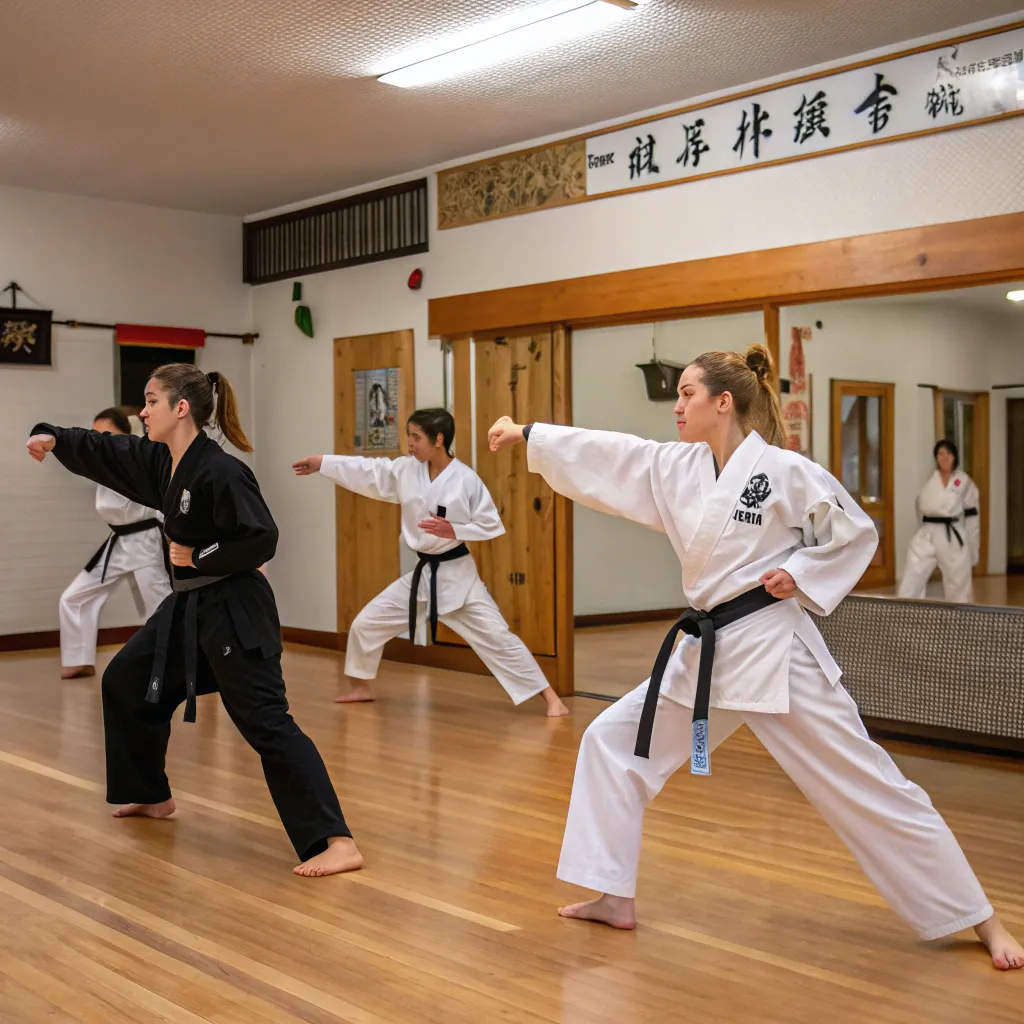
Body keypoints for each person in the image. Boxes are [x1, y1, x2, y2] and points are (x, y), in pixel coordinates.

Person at [487, 344, 1022, 971]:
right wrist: (530, 434)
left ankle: (980, 918)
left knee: (867, 782)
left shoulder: (785, 471)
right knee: (610, 741)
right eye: (678, 394)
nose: (677, 405)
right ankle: (612, 894)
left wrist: (801, 572)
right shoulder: (678, 468)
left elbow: (855, 533)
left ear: (723, 402)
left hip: (774, 651)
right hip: (705, 653)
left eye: (688, 394)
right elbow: (616, 455)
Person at [26, 365, 361, 878]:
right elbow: (108, 451)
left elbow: (261, 537)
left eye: (151, 400)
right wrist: (54, 436)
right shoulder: (163, 461)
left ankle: (336, 840)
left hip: (234, 609)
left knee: (265, 721)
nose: (142, 410)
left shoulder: (222, 471)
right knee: (126, 682)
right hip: (188, 607)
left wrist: (199, 555)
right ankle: (149, 794)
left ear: (181, 408)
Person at [293, 408, 568, 716]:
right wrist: (323, 463)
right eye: (408, 436)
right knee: (365, 624)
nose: (410, 443)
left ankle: (551, 699)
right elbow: (370, 470)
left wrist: (455, 530)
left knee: (498, 639)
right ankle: (361, 686)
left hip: (458, 579)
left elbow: (491, 524)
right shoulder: (406, 470)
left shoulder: (466, 480)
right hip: (423, 576)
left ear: (439, 439)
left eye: (416, 437)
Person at [58, 407, 172, 679]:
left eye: (107, 434)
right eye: (96, 434)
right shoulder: (103, 464)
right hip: (119, 542)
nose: (101, 439)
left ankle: (179, 663)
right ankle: (79, 659)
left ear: (125, 435)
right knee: (72, 598)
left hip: (147, 542)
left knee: (163, 606)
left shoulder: (137, 458)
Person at [897, 439, 980, 603]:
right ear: (936, 457)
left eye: (948, 453)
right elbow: (920, 506)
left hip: (952, 534)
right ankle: (904, 607)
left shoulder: (964, 482)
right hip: (927, 532)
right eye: (940, 454)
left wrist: (972, 545)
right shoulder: (930, 482)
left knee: (958, 579)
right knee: (913, 571)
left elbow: (972, 516)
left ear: (954, 457)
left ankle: (961, 614)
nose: (944, 457)